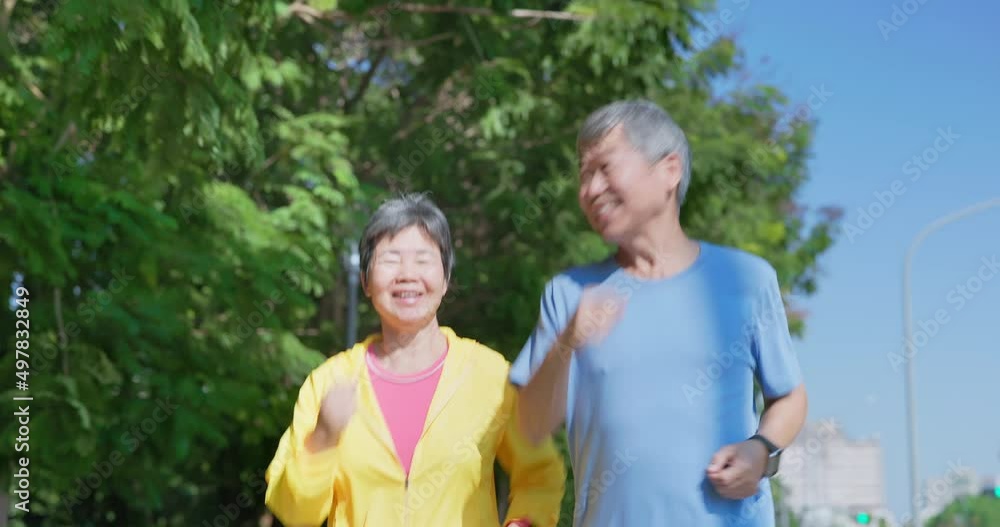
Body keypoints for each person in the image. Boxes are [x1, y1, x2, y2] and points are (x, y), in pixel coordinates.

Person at [510, 99, 808, 526]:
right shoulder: (569, 293)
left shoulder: (746, 279)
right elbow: (530, 426)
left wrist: (761, 450)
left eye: (605, 168)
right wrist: (567, 341)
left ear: (669, 170)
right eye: (584, 173)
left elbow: (791, 396)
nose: (590, 189)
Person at [265, 193, 565, 526]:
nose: (407, 274)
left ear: (446, 278)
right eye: (390, 259)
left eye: (423, 259)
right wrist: (322, 437)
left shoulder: (491, 376)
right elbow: (293, 513)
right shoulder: (328, 383)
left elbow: (540, 476)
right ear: (365, 280)